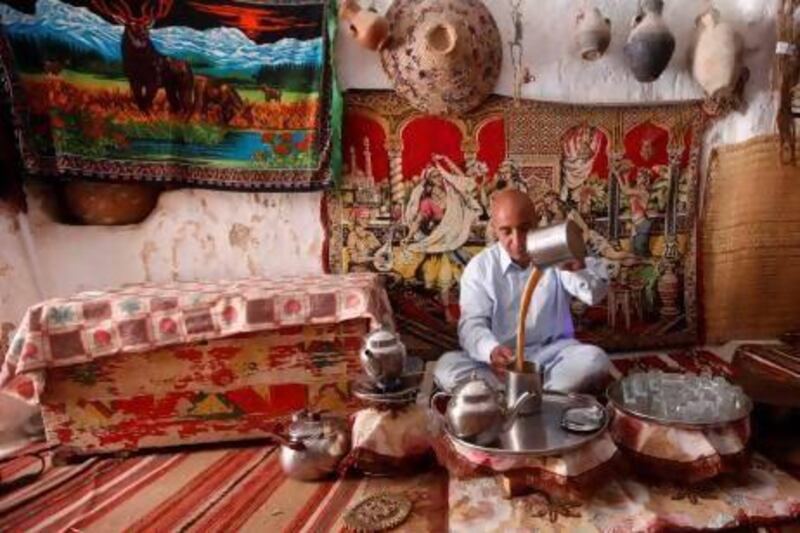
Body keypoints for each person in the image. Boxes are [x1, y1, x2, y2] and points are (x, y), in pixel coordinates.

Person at [434, 189, 611, 394]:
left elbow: (594, 294)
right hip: (502, 365)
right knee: (447, 368)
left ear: (537, 222)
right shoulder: (480, 267)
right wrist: (491, 351)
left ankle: (516, 397)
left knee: (595, 360)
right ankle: (547, 396)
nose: (517, 241)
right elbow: (471, 324)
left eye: (524, 229)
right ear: (494, 229)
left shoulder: (554, 251)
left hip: (553, 356)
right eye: (506, 231)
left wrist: (577, 269)